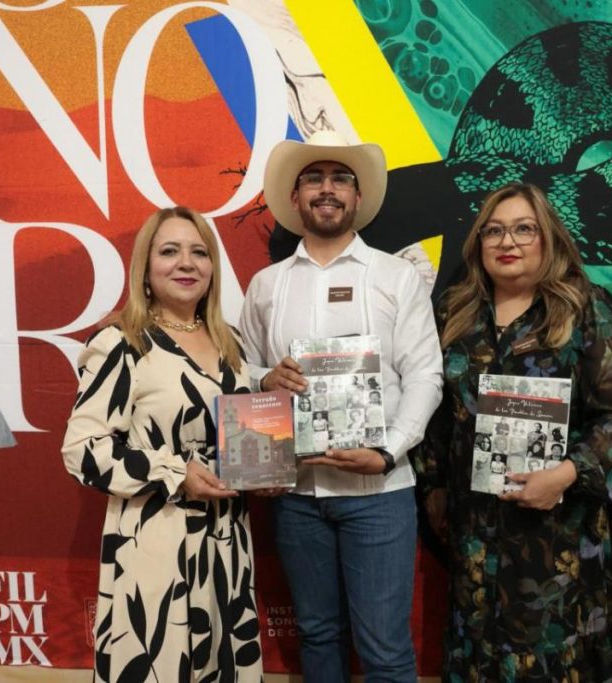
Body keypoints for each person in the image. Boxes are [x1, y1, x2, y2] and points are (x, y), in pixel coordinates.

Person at [416, 182, 612, 681]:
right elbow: (436, 411)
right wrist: (433, 486)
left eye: (524, 229)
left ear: (549, 238)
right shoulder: (455, 313)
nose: (508, 242)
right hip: (473, 536)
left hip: (555, 537)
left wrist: (566, 474)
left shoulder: (585, 310)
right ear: (479, 242)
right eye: (494, 231)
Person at [239, 130, 443, 682]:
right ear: (295, 197)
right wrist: (265, 377)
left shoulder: (397, 277)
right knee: (317, 636)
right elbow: (242, 373)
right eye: (313, 178)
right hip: (296, 495)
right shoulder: (265, 286)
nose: (326, 189)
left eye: (339, 178)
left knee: (384, 650)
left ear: (357, 196)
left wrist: (388, 451)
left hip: (379, 493)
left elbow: (426, 375)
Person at [61, 207, 271, 683]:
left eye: (199, 252)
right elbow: (82, 449)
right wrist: (174, 474)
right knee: (160, 660)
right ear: (146, 267)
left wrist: (264, 472)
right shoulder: (123, 342)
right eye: (170, 251)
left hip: (227, 542)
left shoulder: (231, 343)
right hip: (158, 540)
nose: (186, 263)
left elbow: (240, 433)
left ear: (213, 266)